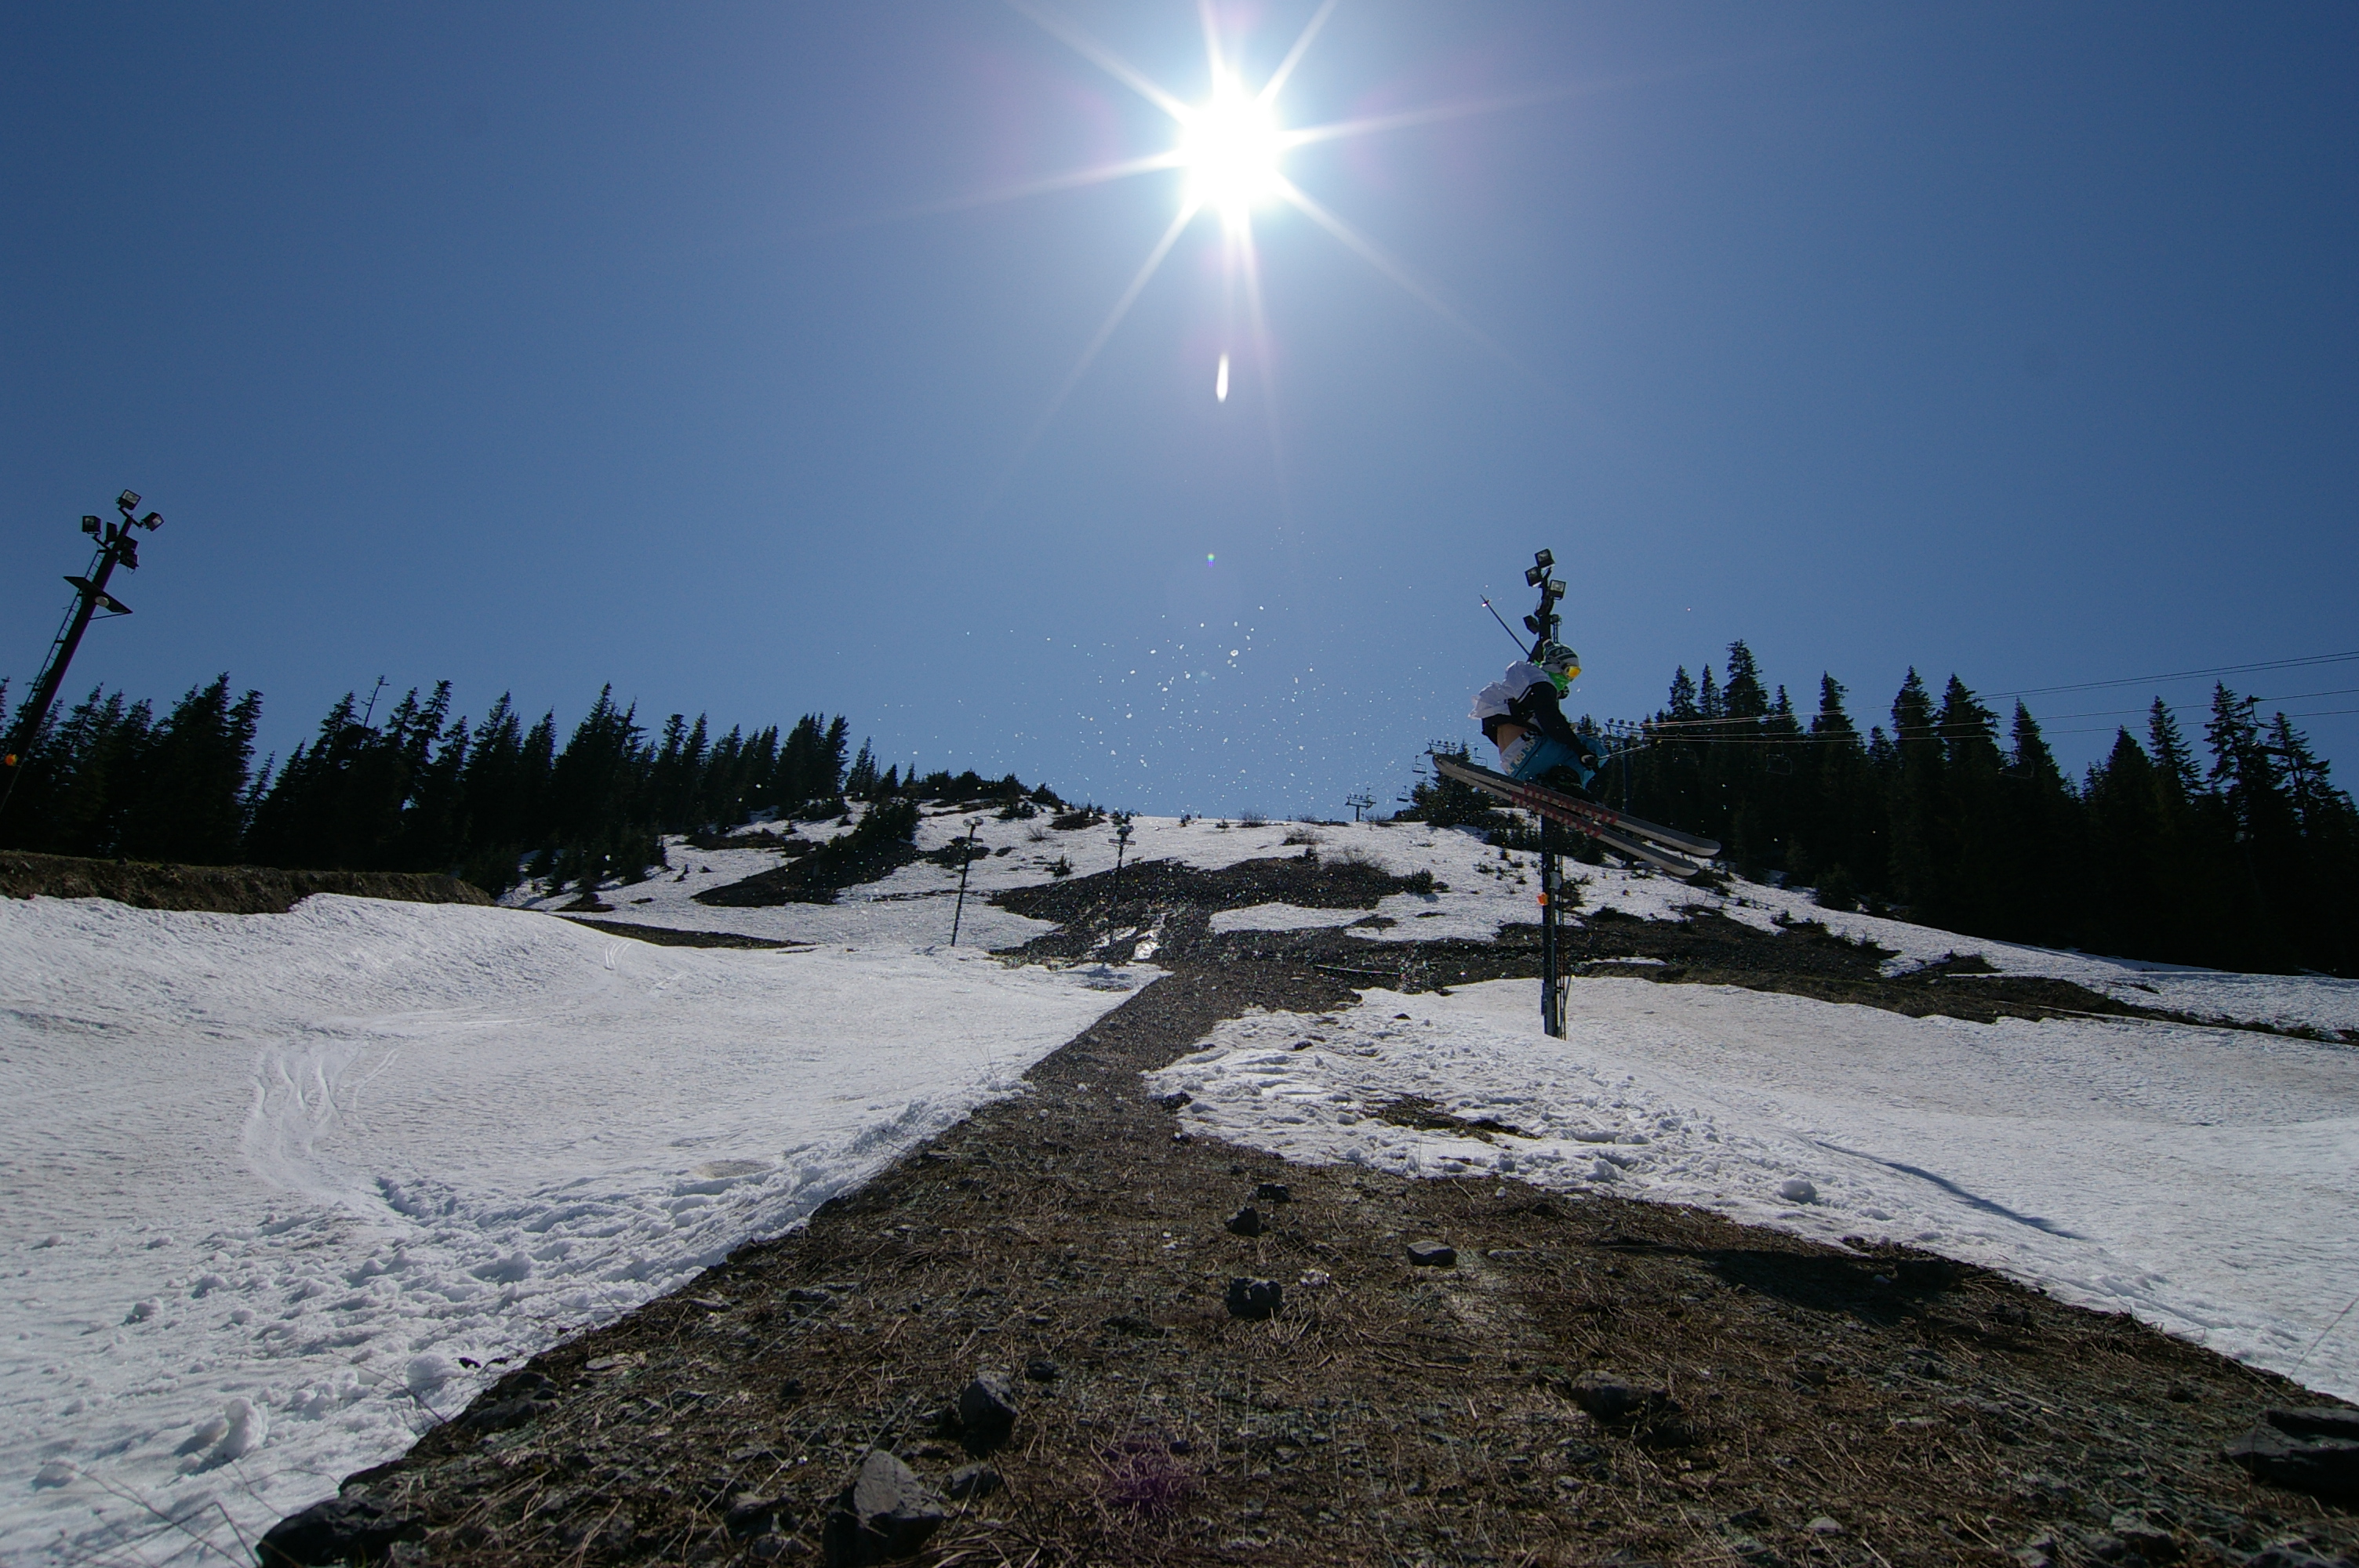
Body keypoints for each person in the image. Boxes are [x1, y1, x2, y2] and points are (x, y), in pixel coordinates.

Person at [1471, 642, 1608, 794]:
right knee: (1595, 749)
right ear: (1557, 665)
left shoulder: (1509, 693)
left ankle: (1554, 786)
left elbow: (1492, 729)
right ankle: (1568, 786)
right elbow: (1550, 718)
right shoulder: (1541, 682)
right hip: (1533, 753)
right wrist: (1581, 751)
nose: (1570, 679)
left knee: (1559, 737)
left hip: (1515, 768)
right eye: (1571, 671)